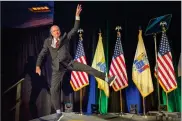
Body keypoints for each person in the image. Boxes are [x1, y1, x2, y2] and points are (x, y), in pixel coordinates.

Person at [35, 4, 116, 121]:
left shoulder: (65, 37)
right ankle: (58, 112)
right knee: (53, 90)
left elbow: (75, 29)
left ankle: (107, 79)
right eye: (54, 31)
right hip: (57, 68)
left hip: (69, 63)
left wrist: (77, 16)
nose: (57, 32)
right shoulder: (47, 42)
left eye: (58, 30)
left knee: (88, 68)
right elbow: (42, 54)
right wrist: (38, 65)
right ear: (51, 33)